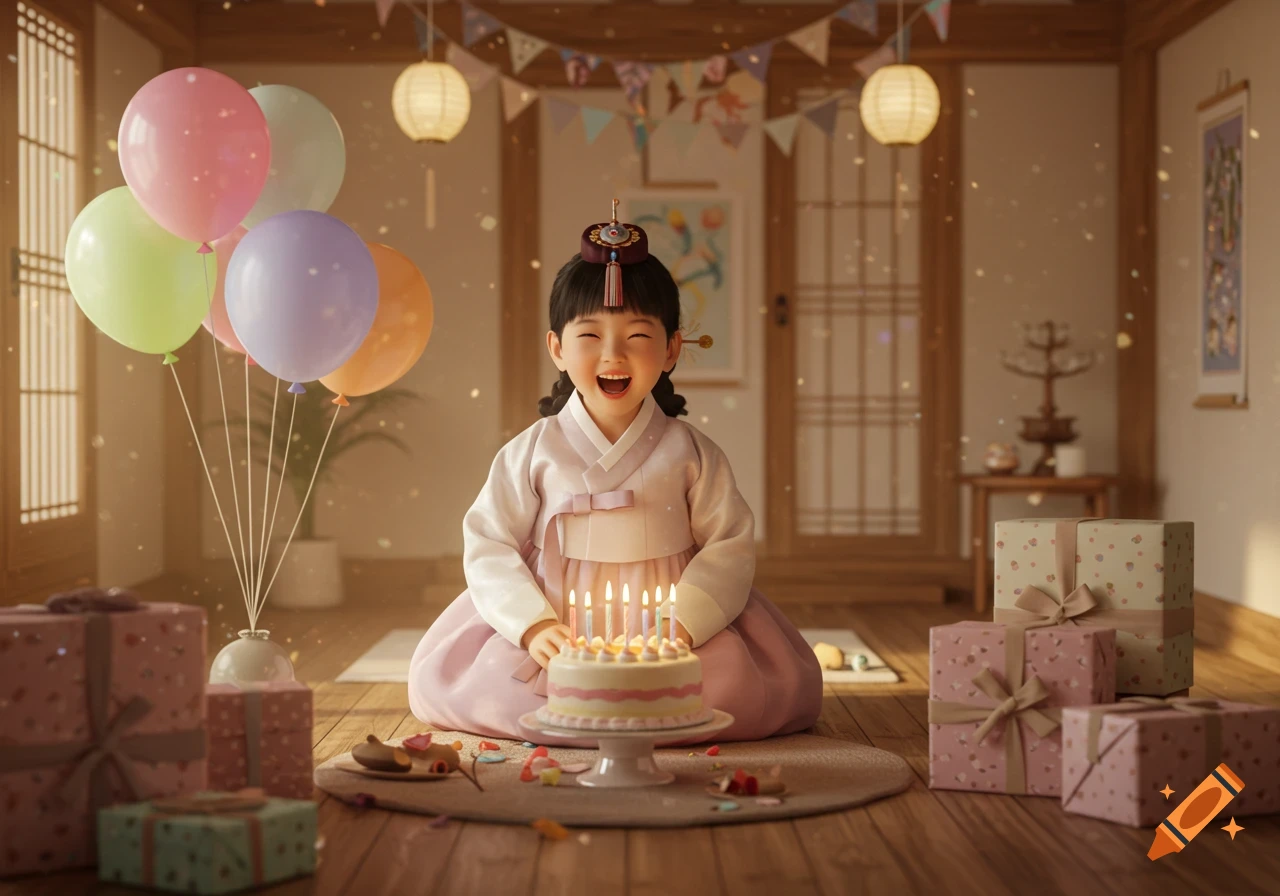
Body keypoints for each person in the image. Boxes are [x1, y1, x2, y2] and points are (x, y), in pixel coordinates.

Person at [408, 201, 822, 742]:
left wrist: (685, 622)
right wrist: (531, 626)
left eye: (638, 337)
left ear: (672, 348)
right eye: (590, 337)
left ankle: (647, 686)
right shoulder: (531, 451)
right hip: (558, 613)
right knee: (489, 691)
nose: (613, 356)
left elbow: (730, 545)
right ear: (557, 348)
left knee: (733, 693)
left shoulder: (692, 452)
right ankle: (565, 678)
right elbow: (488, 541)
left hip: (669, 618)